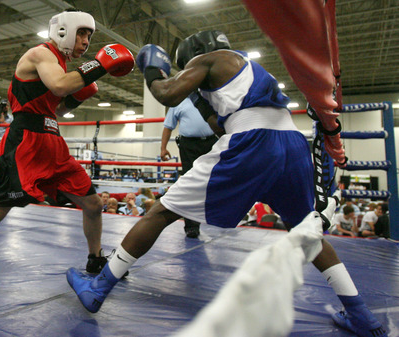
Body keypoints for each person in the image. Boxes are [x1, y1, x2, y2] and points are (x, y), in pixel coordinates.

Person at [66, 31, 387, 337]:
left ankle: (97, 289)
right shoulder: (247, 71)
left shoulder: (213, 59)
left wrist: (151, 67)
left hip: (253, 143)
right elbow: (220, 127)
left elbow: (164, 93)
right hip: (291, 146)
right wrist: (201, 100)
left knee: (160, 213)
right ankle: (361, 315)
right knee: (305, 229)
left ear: (193, 55)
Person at [0, 9, 135, 292]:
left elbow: (56, 108)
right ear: (64, 30)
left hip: (52, 141)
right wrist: (100, 64)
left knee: (92, 204)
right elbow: (58, 85)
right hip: (25, 144)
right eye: (82, 33)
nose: (86, 42)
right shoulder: (40, 54)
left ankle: (94, 260)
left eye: (90, 37)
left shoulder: (59, 64)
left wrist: (76, 100)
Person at [160, 96, 218, 238]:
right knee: (191, 184)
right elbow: (168, 127)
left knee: (217, 178)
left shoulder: (211, 98)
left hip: (212, 142)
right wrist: (163, 148)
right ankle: (192, 226)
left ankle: (220, 216)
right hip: (189, 145)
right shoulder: (177, 101)